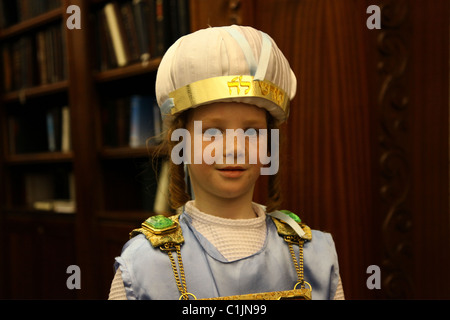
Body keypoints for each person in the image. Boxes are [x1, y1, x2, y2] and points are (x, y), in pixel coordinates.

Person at [108, 25, 344, 300]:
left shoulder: (315, 256)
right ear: (181, 143)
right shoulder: (143, 266)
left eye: (252, 132)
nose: (234, 148)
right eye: (212, 132)